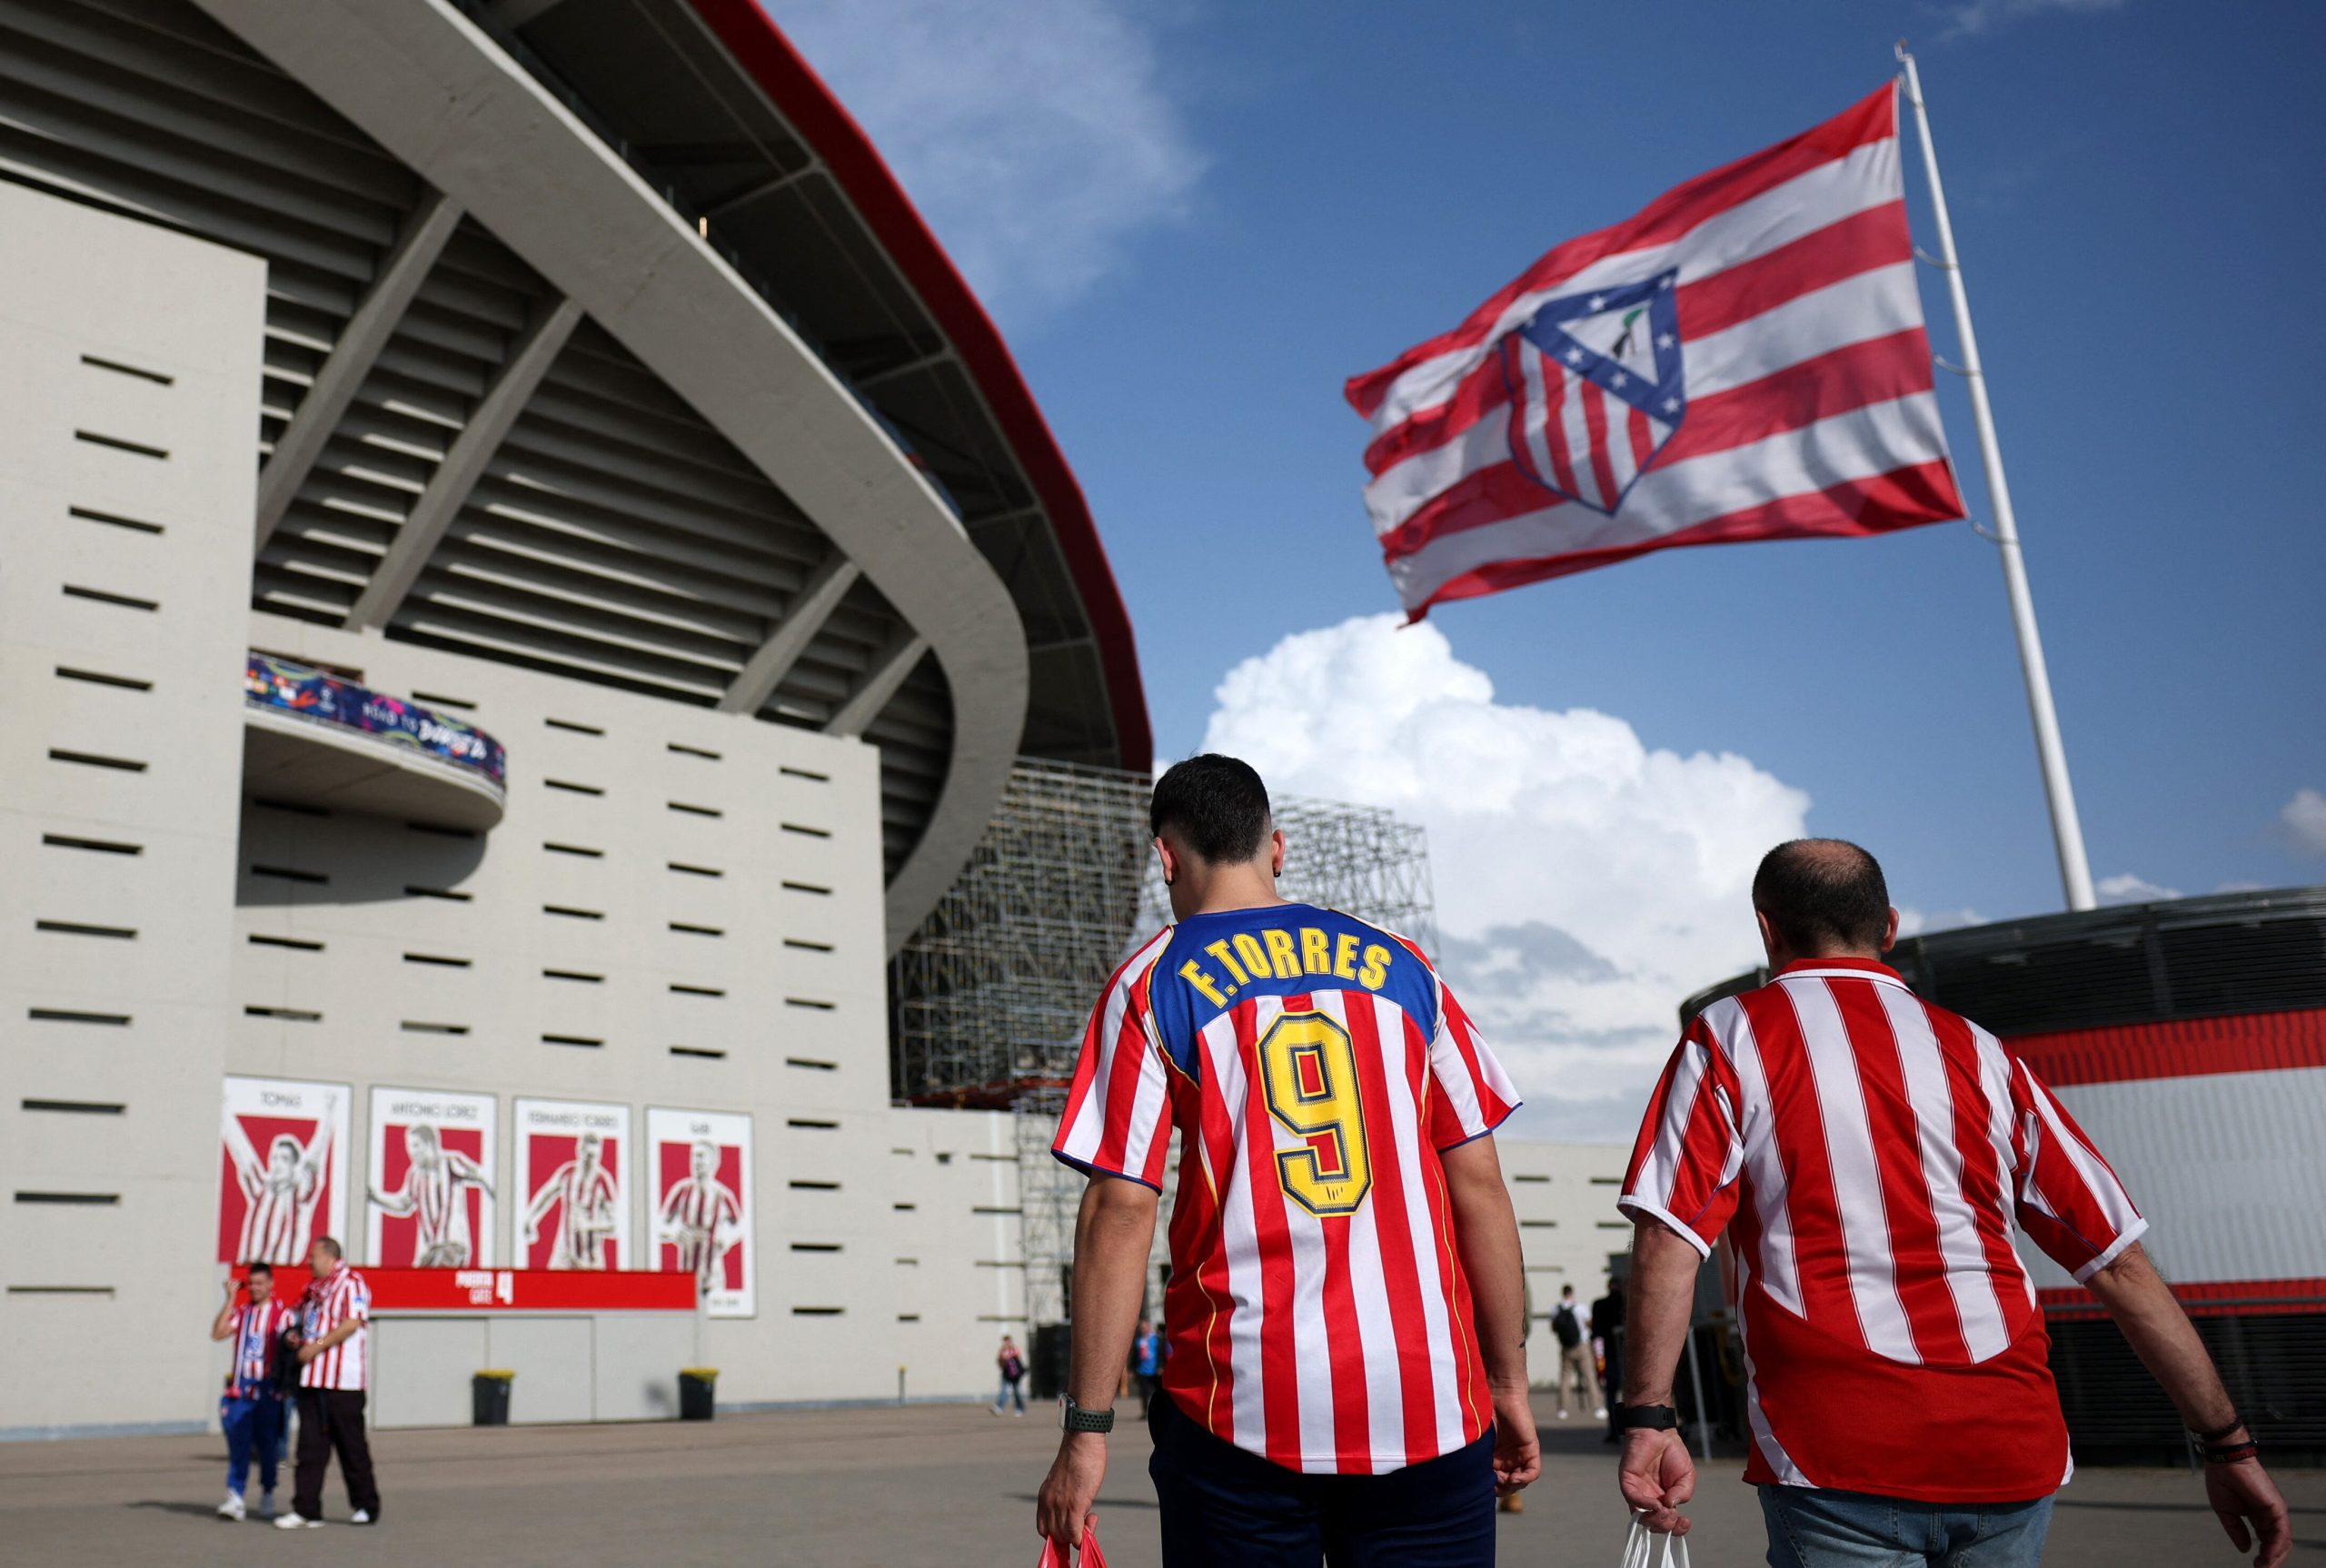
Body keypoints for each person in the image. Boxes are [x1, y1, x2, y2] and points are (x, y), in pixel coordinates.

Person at [1615, 839, 2292, 1568]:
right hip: (2008, 1443)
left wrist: (1651, 1417)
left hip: (1838, 1447)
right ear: (1890, 928)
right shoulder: (1984, 1053)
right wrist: (2228, 1444)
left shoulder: (1729, 1036)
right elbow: (2119, 1264)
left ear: (1767, 929)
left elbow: (1669, 1237)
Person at [1035, 754, 1539, 1567]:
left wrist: (1087, 1433)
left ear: (1165, 857)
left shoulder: (1153, 983)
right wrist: (1508, 1385)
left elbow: (1121, 1210)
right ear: (1279, 846)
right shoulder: (1405, 968)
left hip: (1243, 1410)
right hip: (1431, 1399)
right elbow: (1478, 1188)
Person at [276, 1236, 380, 1530]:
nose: (309, 1262)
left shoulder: (352, 1283)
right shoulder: (312, 1291)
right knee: (310, 1449)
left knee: (352, 1447)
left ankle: (366, 1506)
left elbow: (352, 1323)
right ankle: (306, 1509)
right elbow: (294, 1319)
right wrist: (293, 1336)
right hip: (312, 1380)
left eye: (314, 1256)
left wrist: (317, 1346)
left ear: (330, 1258)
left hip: (343, 1385)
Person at [209, 1263, 293, 1521]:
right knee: (238, 1444)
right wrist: (230, 1299)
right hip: (242, 1389)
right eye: (252, 1283)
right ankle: (235, 1497)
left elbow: (294, 1342)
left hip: (268, 1389)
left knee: (268, 1447)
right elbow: (217, 1333)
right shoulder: (243, 1312)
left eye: (260, 1283)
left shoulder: (283, 1315)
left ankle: (268, 1490)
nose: (255, 1288)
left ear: (270, 1284)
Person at [224, 1092, 337, 1265]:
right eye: (274, 1158)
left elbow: (314, 1158)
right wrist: (223, 1109)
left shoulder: (299, 1195)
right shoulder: (262, 1188)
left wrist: (328, 1113)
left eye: (284, 1159)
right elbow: (242, 1151)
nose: (277, 1164)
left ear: (294, 1166)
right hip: (252, 1273)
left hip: (281, 1274)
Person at [367, 1123, 492, 1268]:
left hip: (452, 1244)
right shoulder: (415, 1173)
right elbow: (404, 1204)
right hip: (430, 1249)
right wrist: (376, 1198)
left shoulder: (450, 1162)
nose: (411, 1151)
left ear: (429, 1144)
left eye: (416, 1145)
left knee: (438, 1277)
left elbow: (481, 1175)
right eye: (410, 1146)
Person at [657, 1139, 742, 1303]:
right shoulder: (681, 1190)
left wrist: (727, 1238)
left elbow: (742, 1226)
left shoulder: (723, 1195)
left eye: (701, 1156)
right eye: (693, 1156)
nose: (696, 1161)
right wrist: (673, 1233)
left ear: (713, 1161)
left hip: (713, 1276)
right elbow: (658, 1224)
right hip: (687, 1273)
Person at [523, 1128, 618, 1269]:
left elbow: (616, 1225)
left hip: (590, 1259)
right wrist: (530, 1219)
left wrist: (589, 1225)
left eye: (594, 1157)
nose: (590, 1162)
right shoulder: (567, 1173)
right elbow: (546, 1195)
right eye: (587, 1156)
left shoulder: (603, 1181)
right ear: (579, 1151)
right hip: (564, 1255)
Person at [1549, 1284, 1597, 1423]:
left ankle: (1562, 1409)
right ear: (1572, 1293)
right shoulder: (1580, 1308)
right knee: (1590, 1376)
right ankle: (1597, 1406)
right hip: (1582, 1345)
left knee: (1565, 1378)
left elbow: (1553, 1328)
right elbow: (1589, 1324)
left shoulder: (1556, 1309)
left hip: (1566, 1347)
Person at [1590, 1277, 1625, 1444]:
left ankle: (1614, 1430)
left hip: (1611, 1354)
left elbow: (1596, 1331)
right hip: (1627, 1355)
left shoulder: (1600, 1305)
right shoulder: (1627, 1304)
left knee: (1611, 1394)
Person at [1127, 1320, 1161, 1420]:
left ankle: (1157, 1412)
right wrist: (1131, 1369)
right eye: (1141, 1328)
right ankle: (1145, 1411)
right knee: (1144, 1393)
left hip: (1154, 1370)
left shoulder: (1156, 1339)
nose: (1143, 1329)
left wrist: (1161, 1366)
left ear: (1149, 1327)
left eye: (1144, 1327)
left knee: (1156, 1393)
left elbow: (1161, 1353)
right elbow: (1134, 1355)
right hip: (1142, 1370)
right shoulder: (1138, 1340)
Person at [994, 1335, 1028, 1416]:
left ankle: (1020, 1408)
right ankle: (999, 1407)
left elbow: (1018, 1358)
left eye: (1008, 1341)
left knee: (1017, 1392)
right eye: (1005, 1342)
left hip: (1015, 1375)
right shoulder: (1002, 1351)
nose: (1006, 1343)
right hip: (1006, 1374)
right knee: (1004, 1391)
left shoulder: (1014, 1349)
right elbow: (1000, 1361)